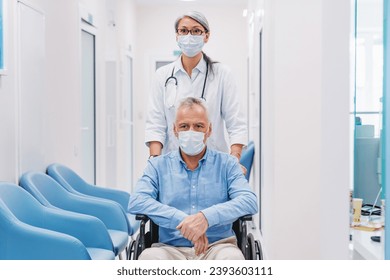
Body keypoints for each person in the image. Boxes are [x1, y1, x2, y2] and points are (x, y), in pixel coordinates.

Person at [129, 97, 258, 260]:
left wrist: (206, 218)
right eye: (184, 126)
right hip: (170, 249)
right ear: (175, 130)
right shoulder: (158, 166)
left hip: (218, 247)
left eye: (198, 126)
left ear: (209, 130)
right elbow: (136, 201)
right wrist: (183, 221)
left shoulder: (227, 164)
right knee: (148, 259)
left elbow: (249, 201)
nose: (191, 131)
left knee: (233, 260)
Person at [145, 11, 247, 165]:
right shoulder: (162, 76)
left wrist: (234, 160)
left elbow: (236, 123)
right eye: (184, 30)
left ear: (206, 36)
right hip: (172, 164)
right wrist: (154, 161)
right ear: (177, 36)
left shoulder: (222, 74)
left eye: (196, 30)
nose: (189, 36)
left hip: (214, 163)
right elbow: (155, 124)